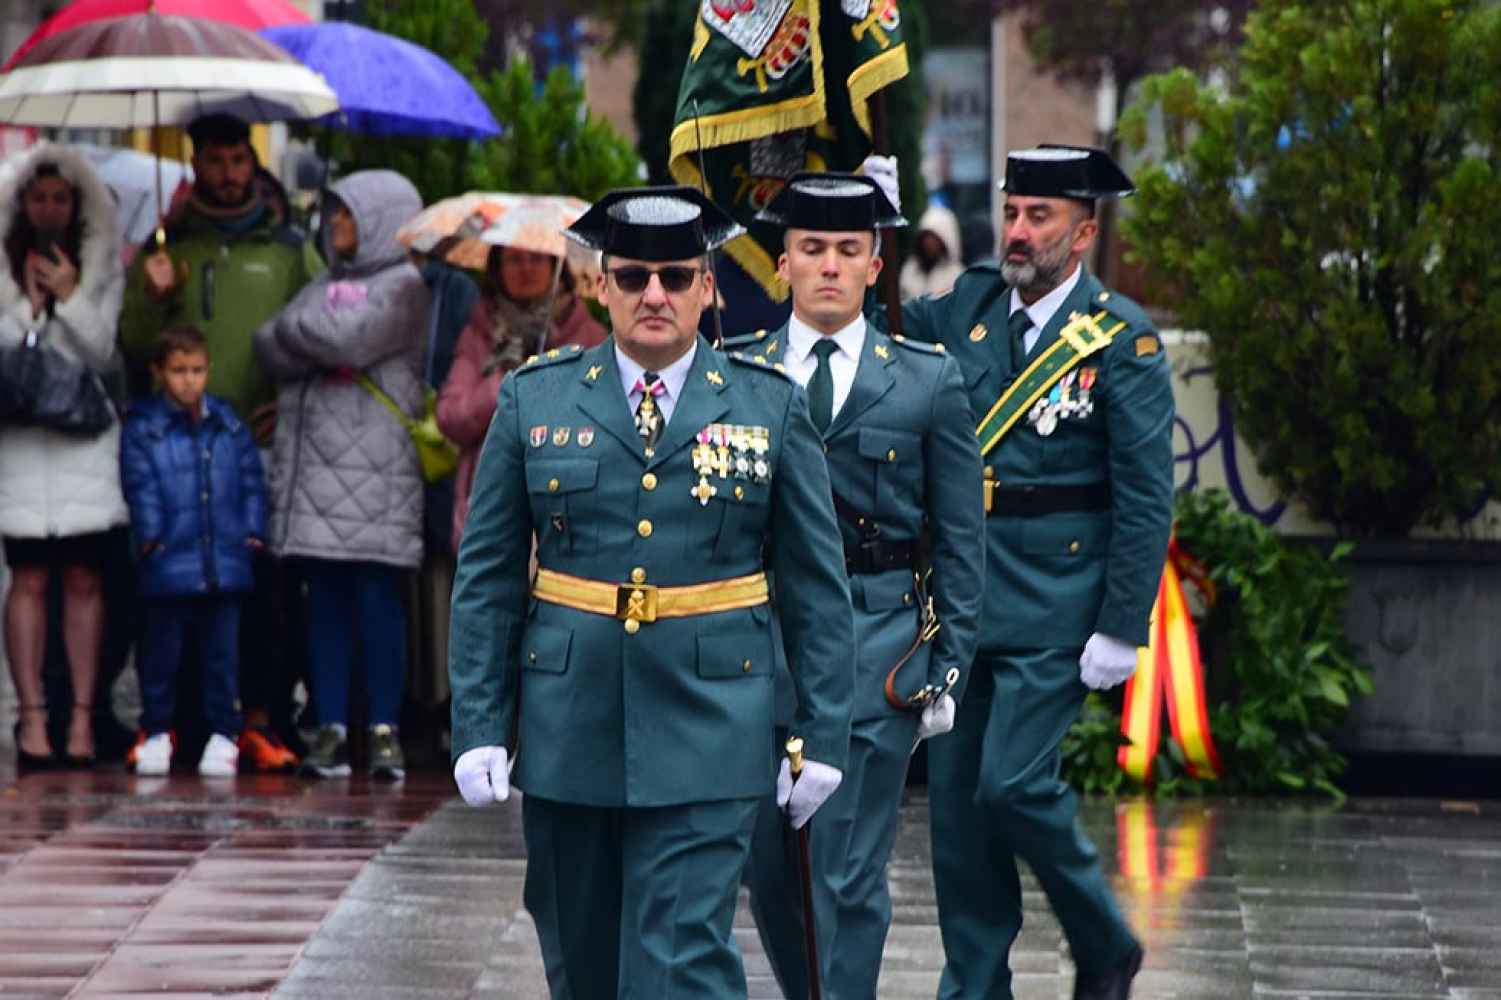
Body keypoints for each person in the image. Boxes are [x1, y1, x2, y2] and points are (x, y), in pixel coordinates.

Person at [448, 186, 855, 998]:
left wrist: (822, 732)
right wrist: (478, 723)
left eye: (675, 276)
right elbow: (487, 578)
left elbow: (815, 591)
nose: (654, 295)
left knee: (680, 961)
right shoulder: (536, 397)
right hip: (570, 726)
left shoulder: (766, 403)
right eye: (633, 277)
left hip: (710, 725)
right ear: (600, 286)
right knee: (583, 961)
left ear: (708, 285)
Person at [864, 147, 1173, 999]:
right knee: (959, 818)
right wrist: (871, 227)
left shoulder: (1121, 338)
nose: (1017, 232)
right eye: (1010, 213)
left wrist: (1121, 621)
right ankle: (973, 986)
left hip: (1057, 608)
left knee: (1012, 784)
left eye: (1039, 218)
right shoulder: (964, 308)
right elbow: (874, 329)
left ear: (1082, 232)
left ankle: (1103, 939)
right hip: (963, 599)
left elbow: (1146, 498)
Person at [727, 174, 985, 999]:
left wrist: (949, 661)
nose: (829, 267)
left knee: (847, 870)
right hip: (761, 648)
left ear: (877, 266)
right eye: (811, 250)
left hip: (878, 646)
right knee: (772, 871)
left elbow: (959, 537)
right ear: (784, 265)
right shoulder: (738, 374)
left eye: (847, 251)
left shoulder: (925, 380)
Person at [118, 112, 317, 772]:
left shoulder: (288, 248)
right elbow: (132, 342)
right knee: (173, 598)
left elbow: (320, 330)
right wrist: (152, 295)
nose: (228, 174)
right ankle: (173, 724)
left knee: (261, 591)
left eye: (239, 160)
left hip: (254, 448)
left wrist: (286, 403)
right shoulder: (167, 244)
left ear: (252, 164)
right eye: (215, 161)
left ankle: (257, 720)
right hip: (177, 450)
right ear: (195, 163)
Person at [254, 169, 429, 782]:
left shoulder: (405, 286)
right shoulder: (323, 282)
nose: (336, 225)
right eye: (332, 213)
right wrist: (305, 338)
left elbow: (348, 342)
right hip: (317, 483)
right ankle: (329, 726)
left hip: (376, 478)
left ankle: (383, 728)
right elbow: (267, 344)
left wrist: (301, 335)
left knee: (377, 599)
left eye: (348, 214)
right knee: (323, 600)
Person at [0, 142, 128, 770]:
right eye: (38, 197)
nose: (48, 208)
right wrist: (27, 304)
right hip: (22, 442)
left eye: (60, 198)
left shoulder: (101, 265)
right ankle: (31, 718)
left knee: (83, 578)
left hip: (83, 440)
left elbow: (104, 351)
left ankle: (81, 716)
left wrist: (72, 294)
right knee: (27, 579)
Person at [119, 326, 268, 777]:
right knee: (163, 655)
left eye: (197, 370)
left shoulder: (227, 421)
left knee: (222, 655)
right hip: (168, 560)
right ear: (160, 372)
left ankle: (225, 733)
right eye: (179, 371)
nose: (189, 381)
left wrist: (252, 530)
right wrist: (151, 537)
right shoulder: (144, 426)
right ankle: (158, 730)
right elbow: (139, 484)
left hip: (223, 559)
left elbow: (251, 481)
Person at [437, 245, 606, 551]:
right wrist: (505, 383)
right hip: (488, 507)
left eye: (537, 258)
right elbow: (451, 417)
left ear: (557, 266)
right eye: (514, 260)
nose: (526, 269)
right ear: (497, 269)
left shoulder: (591, 337)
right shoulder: (479, 334)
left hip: (570, 515)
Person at [898, 201, 964, 300]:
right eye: (926, 237)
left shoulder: (957, 275)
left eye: (934, 238)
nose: (929, 243)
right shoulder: (910, 270)